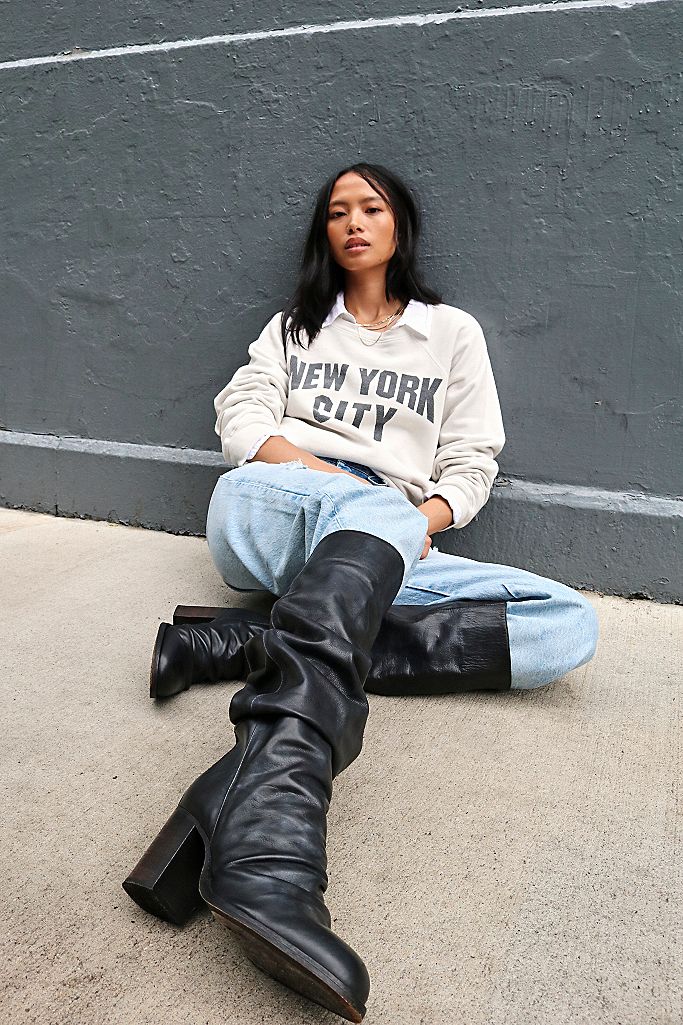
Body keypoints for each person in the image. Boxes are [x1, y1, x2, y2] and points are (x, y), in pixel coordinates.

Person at [123, 163, 598, 1022]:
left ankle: (250, 662)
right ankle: (272, 843)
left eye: (369, 208)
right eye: (336, 212)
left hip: (392, 538)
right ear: (324, 234)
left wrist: (423, 519)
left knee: (566, 628)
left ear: (398, 225)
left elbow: (472, 459)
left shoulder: (449, 333)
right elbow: (244, 421)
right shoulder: (294, 329)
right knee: (361, 513)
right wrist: (353, 494)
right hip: (273, 503)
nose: (352, 222)